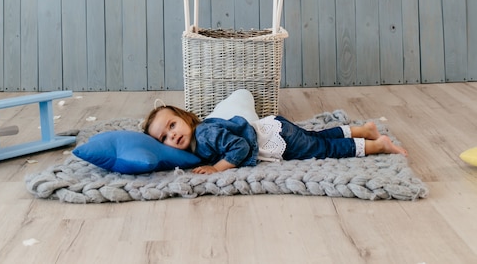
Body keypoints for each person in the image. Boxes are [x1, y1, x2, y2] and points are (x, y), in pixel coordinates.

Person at [143, 104, 407, 174]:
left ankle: (376, 145)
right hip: (275, 128)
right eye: (164, 137)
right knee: (315, 137)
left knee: (323, 149)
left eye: (172, 125)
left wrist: (217, 168)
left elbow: (240, 146)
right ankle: (363, 130)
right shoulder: (192, 143)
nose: (172, 135)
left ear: (185, 118)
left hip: (276, 139)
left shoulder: (204, 134)